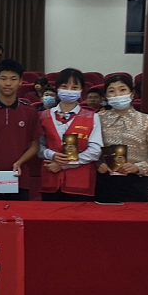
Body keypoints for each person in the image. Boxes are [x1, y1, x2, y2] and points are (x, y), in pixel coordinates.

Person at [0, 60, 42, 201]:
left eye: (13, 79)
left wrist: (19, 162)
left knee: (18, 214)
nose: (8, 83)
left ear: (20, 81)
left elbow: (35, 146)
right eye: (3, 78)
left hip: (19, 178)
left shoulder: (30, 112)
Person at [95, 74, 148, 203]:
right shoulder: (97, 120)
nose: (117, 94)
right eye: (112, 91)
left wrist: (138, 167)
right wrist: (98, 164)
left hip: (136, 182)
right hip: (104, 181)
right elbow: (90, 150)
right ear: (106, 96)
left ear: (132, 94)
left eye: (122, 90)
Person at [37, 68, 103, 202]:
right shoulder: (43, 116)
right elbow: (38, 146)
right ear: (57, 89)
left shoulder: (92, 117)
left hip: (79, 181)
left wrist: (64, 164)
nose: (69, 91)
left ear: (81, 90)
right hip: (51, 179)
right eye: (64, 86)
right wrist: (52, 155)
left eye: (74, 87)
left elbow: (95, 151)